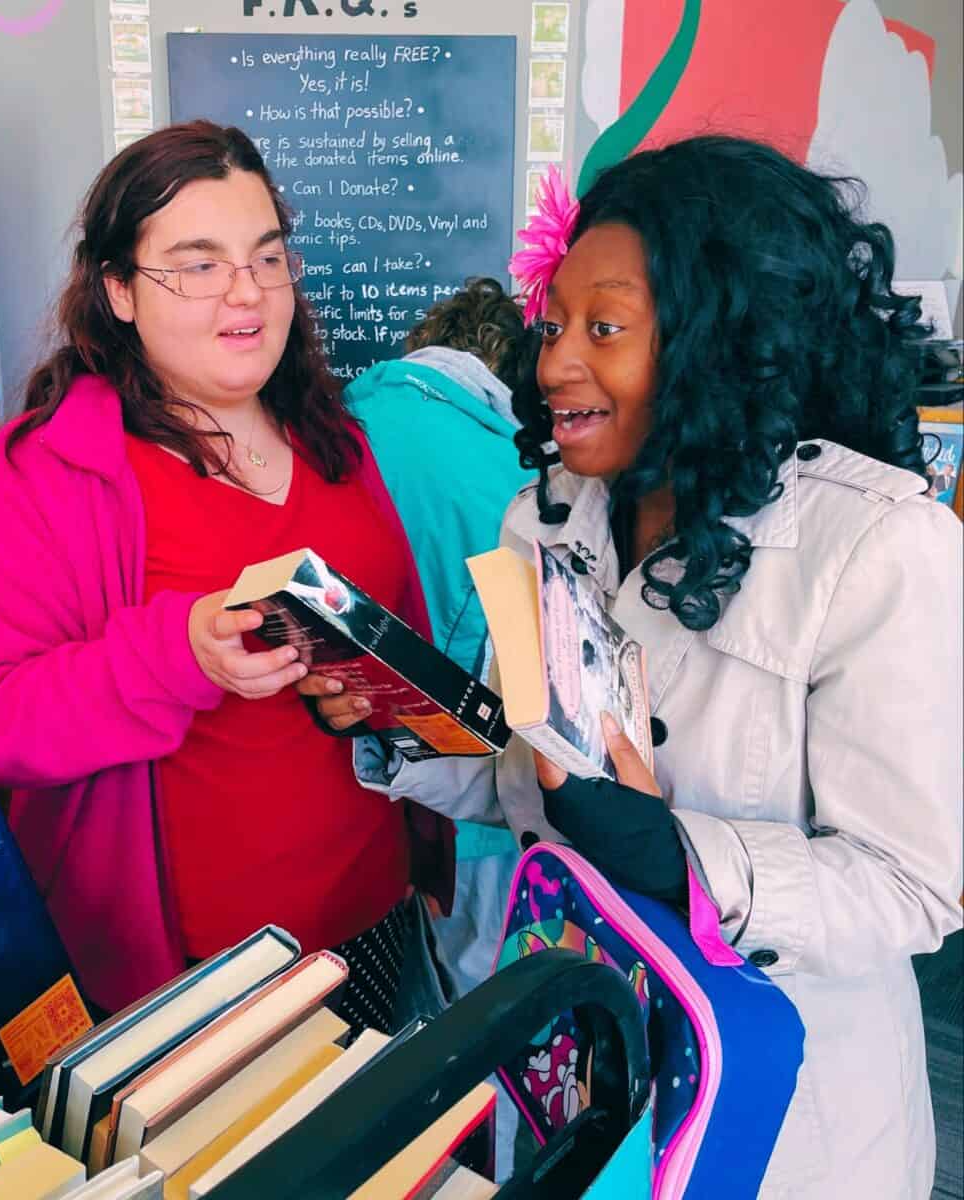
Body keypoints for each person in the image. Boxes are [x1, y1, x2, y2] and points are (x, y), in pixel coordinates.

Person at [305, 136, 963, 1196]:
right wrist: (397, 722)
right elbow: (528, 777)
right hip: (577, 1062)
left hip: (779, 1109)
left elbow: (912, 886)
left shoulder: (879, 548)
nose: (554, 364)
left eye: (604, 329)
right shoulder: (542, 521)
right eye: (553, 325)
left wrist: (679, 857)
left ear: (720, 340)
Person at [0, 121, 453, 1033]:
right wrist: (180, 654)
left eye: (267, 257)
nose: (246, 292)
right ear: (119, 290)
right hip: (193, 978)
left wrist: (383, 702)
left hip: (372, 913)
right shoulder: (41, 473)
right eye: (198, 265)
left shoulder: (337, 443)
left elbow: (399, 638)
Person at [343, 277, 536, 1002]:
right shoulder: (521, 478)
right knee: (482, 1000)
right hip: (470, 799)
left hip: (345, 764)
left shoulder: (335, 421)